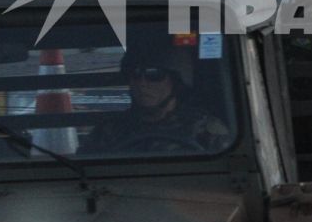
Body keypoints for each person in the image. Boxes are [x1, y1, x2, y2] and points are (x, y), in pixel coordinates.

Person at [89, 45, 229, 155]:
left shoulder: (205, 129)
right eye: (135, 75)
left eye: (154, 75)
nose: (142, 83)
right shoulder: (108, 131)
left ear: (176, 82)